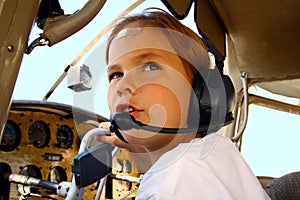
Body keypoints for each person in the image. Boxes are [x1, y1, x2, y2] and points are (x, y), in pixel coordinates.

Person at [94, 8, 270, 199]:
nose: (123, 85)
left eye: (150, 66)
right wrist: (138, 144)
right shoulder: (217, 151)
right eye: (116, 74)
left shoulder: (168, 186)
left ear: (201, 94)